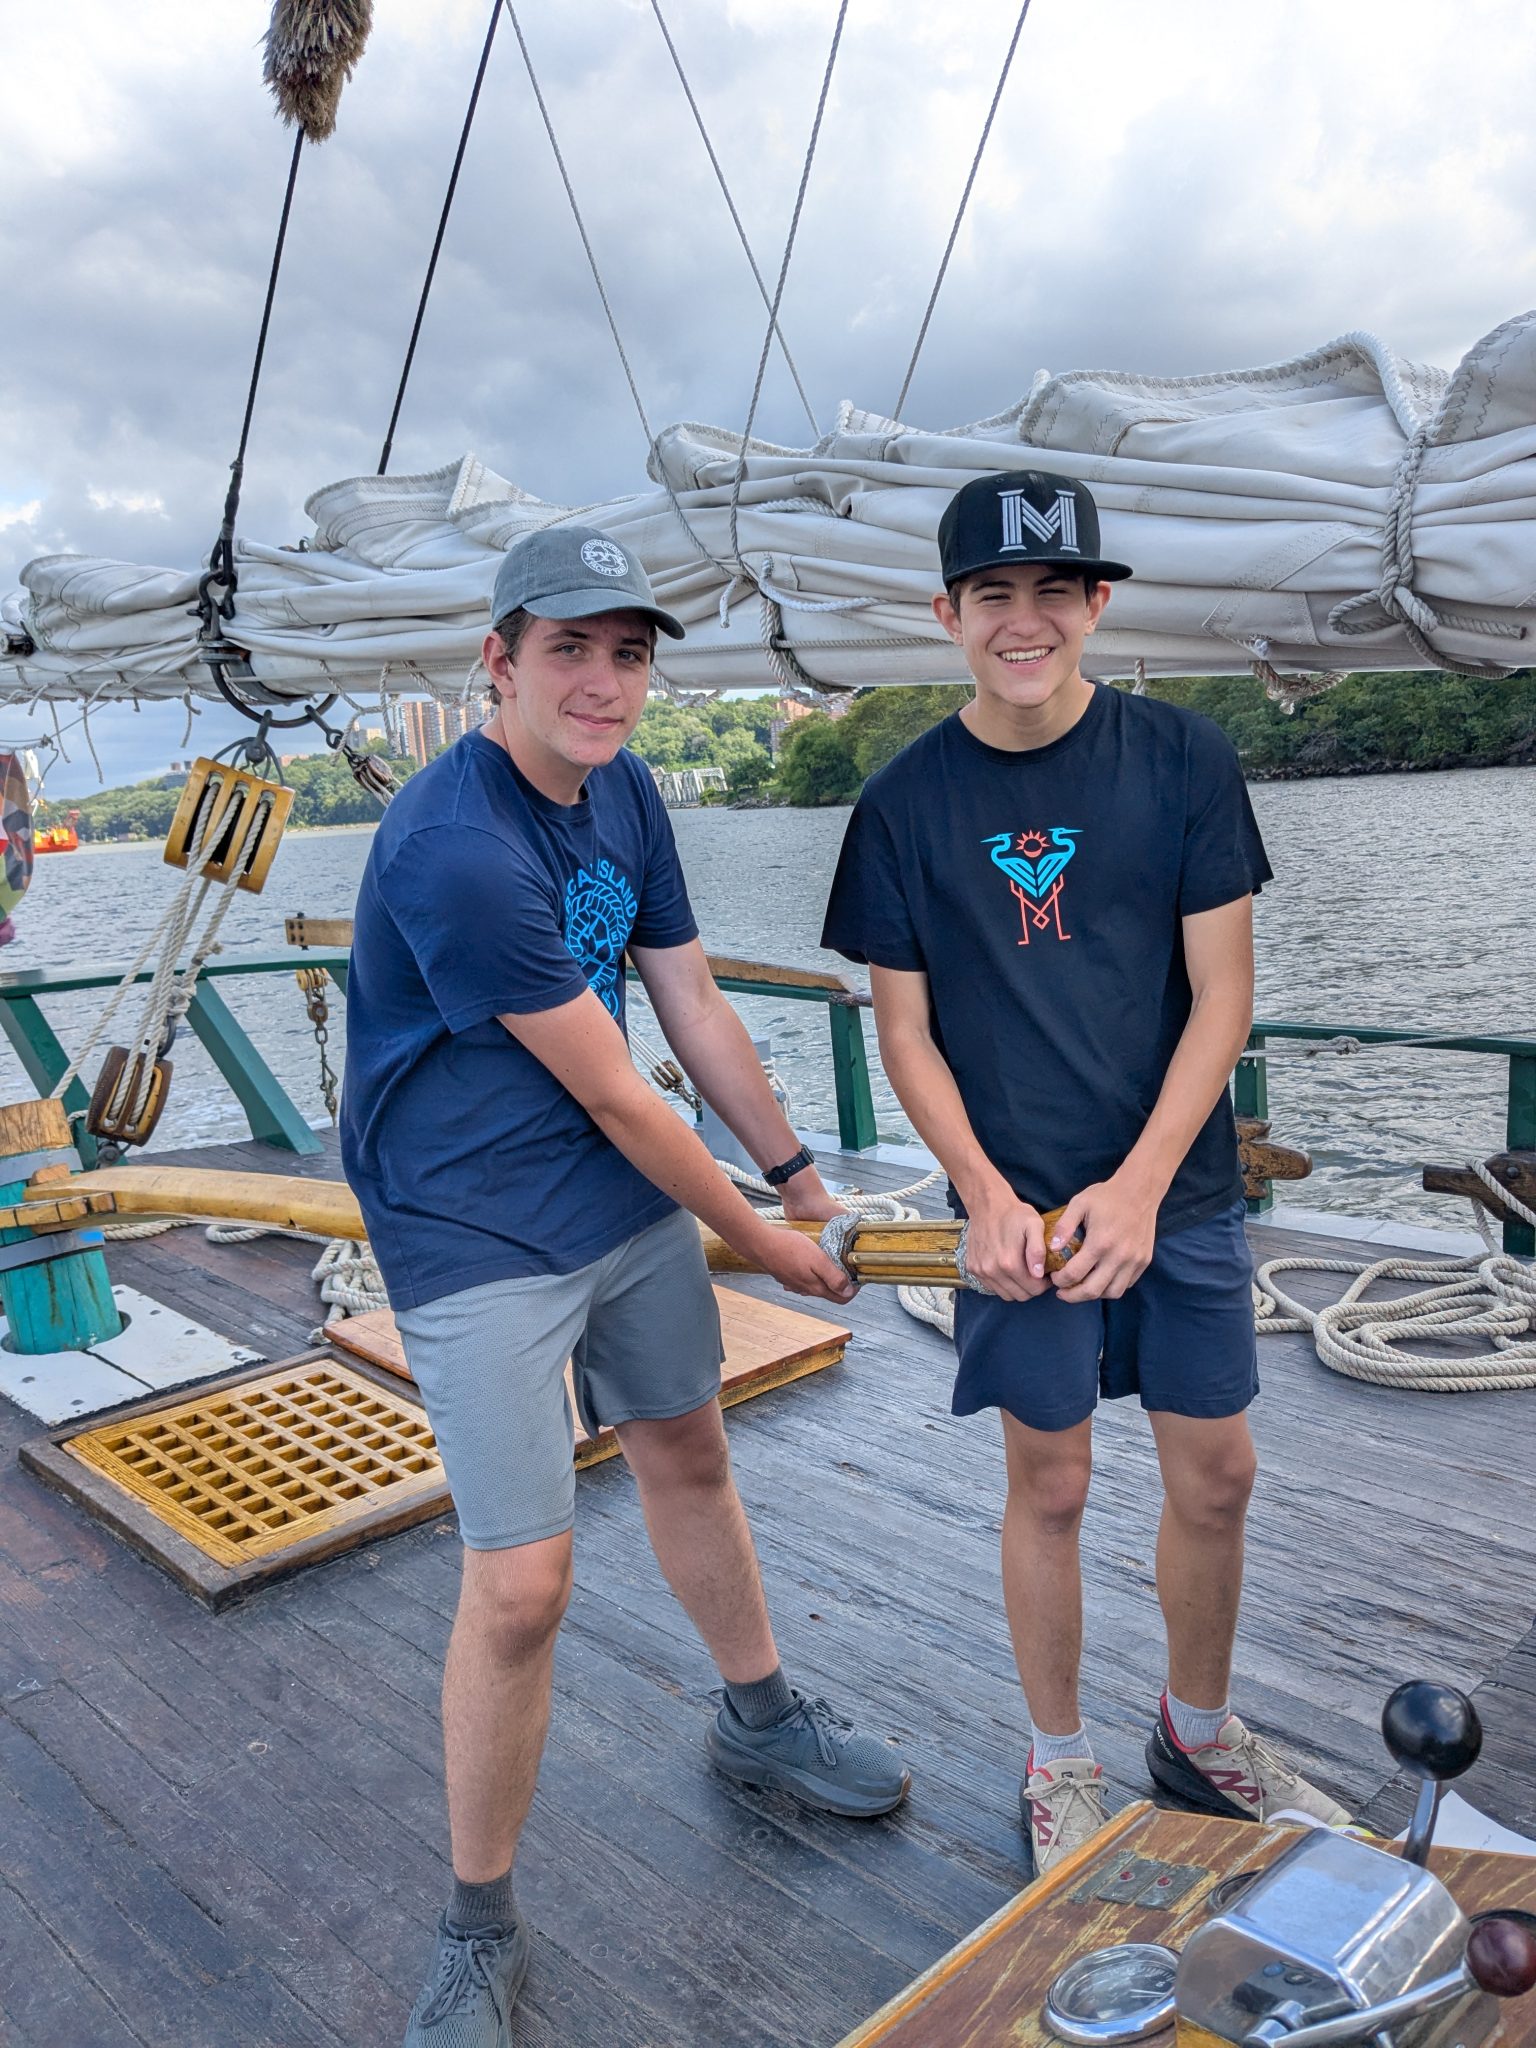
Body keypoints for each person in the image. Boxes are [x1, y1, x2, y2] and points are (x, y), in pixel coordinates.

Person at [341, 524, 909, 2047]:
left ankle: (760, 1719)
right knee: (522, 1582)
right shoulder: (455, 846)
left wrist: (797, 1173)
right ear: (499, 661)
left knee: (689, 1449)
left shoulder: (627, 791)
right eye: (571, 650)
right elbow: (614, 1089)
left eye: (631, 655)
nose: (604, 683)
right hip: (470, 1223)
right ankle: (477, 1925)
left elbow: (689, 1000)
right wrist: (764, 1238)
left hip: (616, 1195)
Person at [820, 468, 1350, 1876]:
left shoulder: (1182, 759)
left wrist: (1143, 1185)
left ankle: (1199, 1729)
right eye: (994, 593)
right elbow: (904, 1030)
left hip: (1173, 1191)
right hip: (1020, 1208)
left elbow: (1223, 994)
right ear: (948, 614)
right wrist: (987, 1197)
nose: (1027, 620)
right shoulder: (903, 803)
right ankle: (1060, 1759)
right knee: (1049, 1482)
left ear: (1098, 604)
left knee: (1219, 1474)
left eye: (1056, 589)